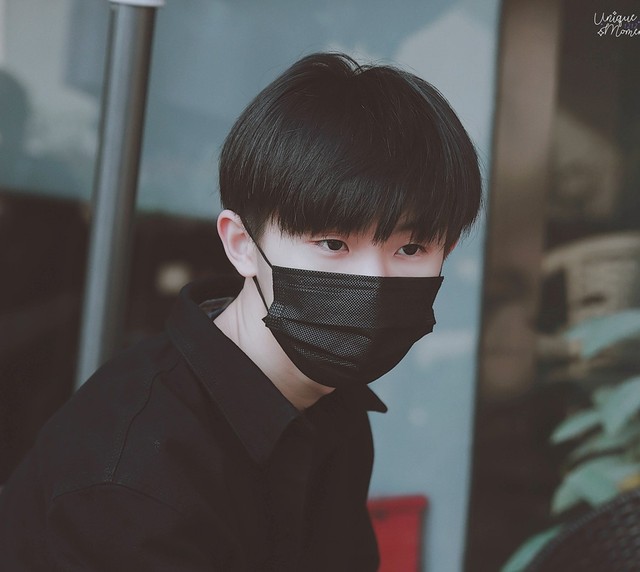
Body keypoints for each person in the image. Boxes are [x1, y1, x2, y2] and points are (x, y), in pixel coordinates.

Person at [0, 52, 481, 570]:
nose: (373, 282)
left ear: (447, 251)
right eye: (332, 243)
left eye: (410, 248)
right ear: (242, 245)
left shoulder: (330, 406)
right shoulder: (135, 474)